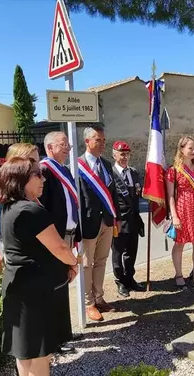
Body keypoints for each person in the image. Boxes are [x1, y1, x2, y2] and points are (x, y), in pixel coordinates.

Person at [0, 157, 78, 376]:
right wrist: (75, 262)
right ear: (21, 179)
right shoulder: (31, 210)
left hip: (17, 286)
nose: (43, 179)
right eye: (37, 174)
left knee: (25, 352)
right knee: (40, 353)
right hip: (35, 291)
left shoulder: (10, 207)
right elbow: (60, 248)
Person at [5, 139, 81, 354]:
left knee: (60, 289)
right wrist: (70, 258)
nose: (39, 168)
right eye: (33, 162)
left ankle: (60, 334)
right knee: (48, 297)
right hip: (43, 250)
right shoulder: (23, 199)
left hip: (53, 239)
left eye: (36, 161)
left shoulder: (40, 182)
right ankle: (53, 340)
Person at [78, 124, 121, 322]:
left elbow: (113, 194)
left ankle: (99, 297)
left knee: (101, 261)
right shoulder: (77, 165)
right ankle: (88, 303)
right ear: (87, 141)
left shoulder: (105, 164)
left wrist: (116, 218)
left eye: (104, 140)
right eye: (98, 140)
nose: (102, 144)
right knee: (87, 264)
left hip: (107, 220)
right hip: (88, 223)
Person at [167, 136, 194, 290]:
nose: (193, 151)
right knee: (179, 243)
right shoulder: (173, 170)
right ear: (181, 149)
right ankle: (179, 274)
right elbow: (170, 196)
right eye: (190, 148)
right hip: (182, 210)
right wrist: (174, 216)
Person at [111, 141, 145, 297]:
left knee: (131, 252)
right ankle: (120, 282)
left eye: (127, 154)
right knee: (118, 253)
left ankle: (130, 278)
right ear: (114, 154)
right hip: (118, 220)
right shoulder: (110, 174)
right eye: (121, 154)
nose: (125, 157)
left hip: (133, 220)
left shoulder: (134, 173)